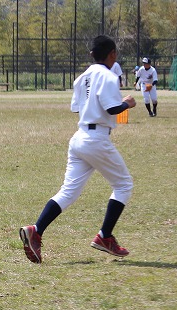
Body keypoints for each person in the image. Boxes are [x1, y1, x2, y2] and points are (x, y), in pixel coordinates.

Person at [18, 35, 136, 264]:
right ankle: (105, 236)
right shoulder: (109, 76)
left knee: (68, 192)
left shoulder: (81, 78)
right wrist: (127, 103)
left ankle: (36, 229)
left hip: (79, 138)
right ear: (112, 54)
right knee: (123, 185)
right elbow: (113, 109)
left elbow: (77, 108)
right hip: (97, 139)